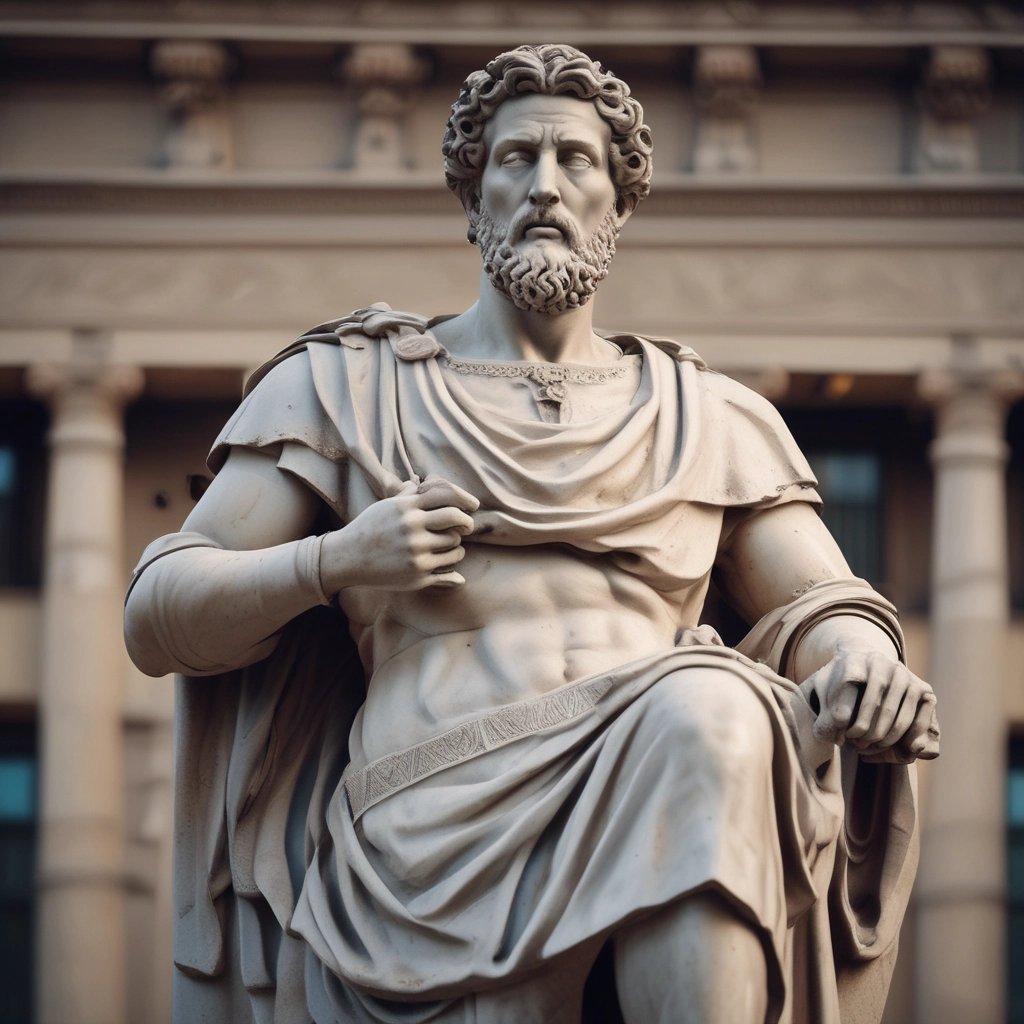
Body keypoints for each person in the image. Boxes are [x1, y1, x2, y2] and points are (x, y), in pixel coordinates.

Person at [125, 43, 939, 1024]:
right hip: (427, 831)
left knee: (710, 707)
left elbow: (821, 604)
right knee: (704, 710)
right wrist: (337, 561)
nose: (546, 186)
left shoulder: (707, 413)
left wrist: (862, 661)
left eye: (576, 161)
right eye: (516, 160)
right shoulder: (351, 388)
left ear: (620, 202)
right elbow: (158, 614)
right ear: (473, 198)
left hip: (674, 779)